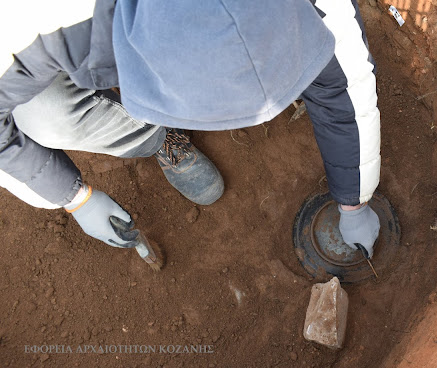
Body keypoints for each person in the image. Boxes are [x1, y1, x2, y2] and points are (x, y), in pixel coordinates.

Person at [0, 0, 381, 257]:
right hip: (55, 40)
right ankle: (158, 134)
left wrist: (354, 199)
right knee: (44, 116)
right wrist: (71, 197)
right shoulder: (38, 19)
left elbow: (345, 82)